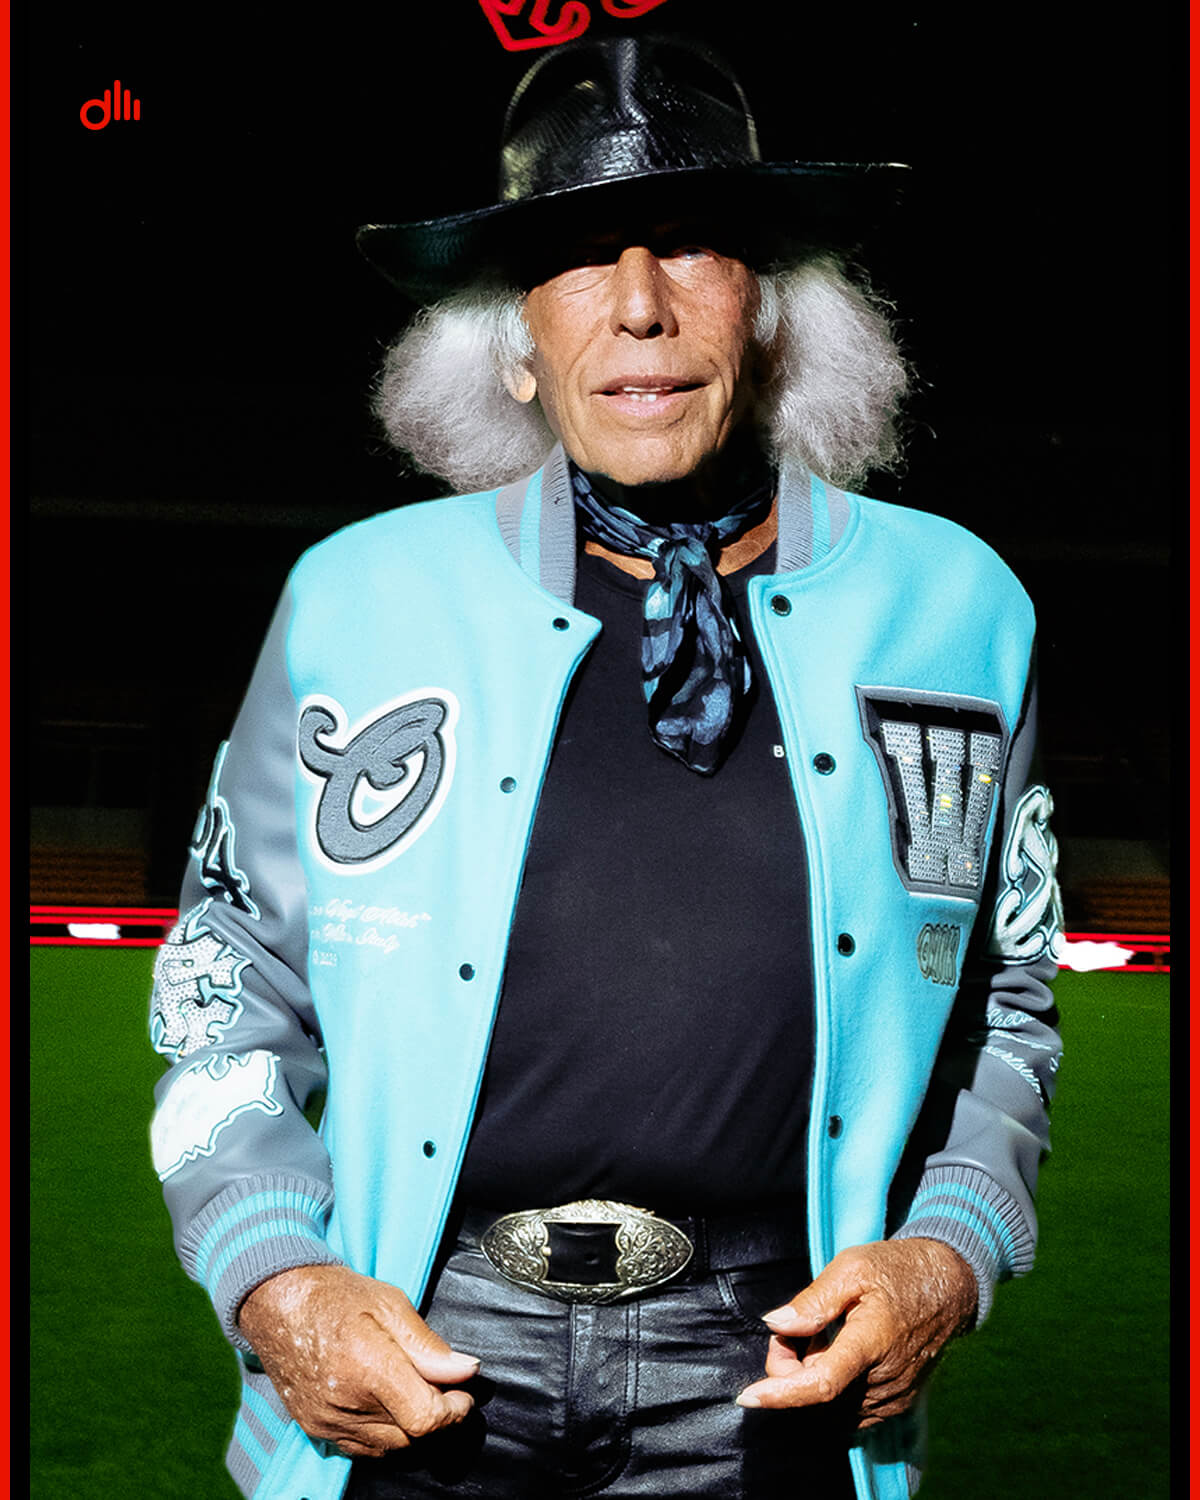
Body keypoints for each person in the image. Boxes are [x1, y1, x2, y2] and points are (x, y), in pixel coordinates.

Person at [148, 35, 1063, 1500]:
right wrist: (277, 1281)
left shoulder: (959, 610)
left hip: (782, 1368)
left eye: (693, 246)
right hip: (416, 1360)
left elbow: (1008, 1003)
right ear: (514, 340)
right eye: (580, 258)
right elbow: (223, 986)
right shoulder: (354, 602)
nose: (640, 305)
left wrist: (949, 1250)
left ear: (774, 313)